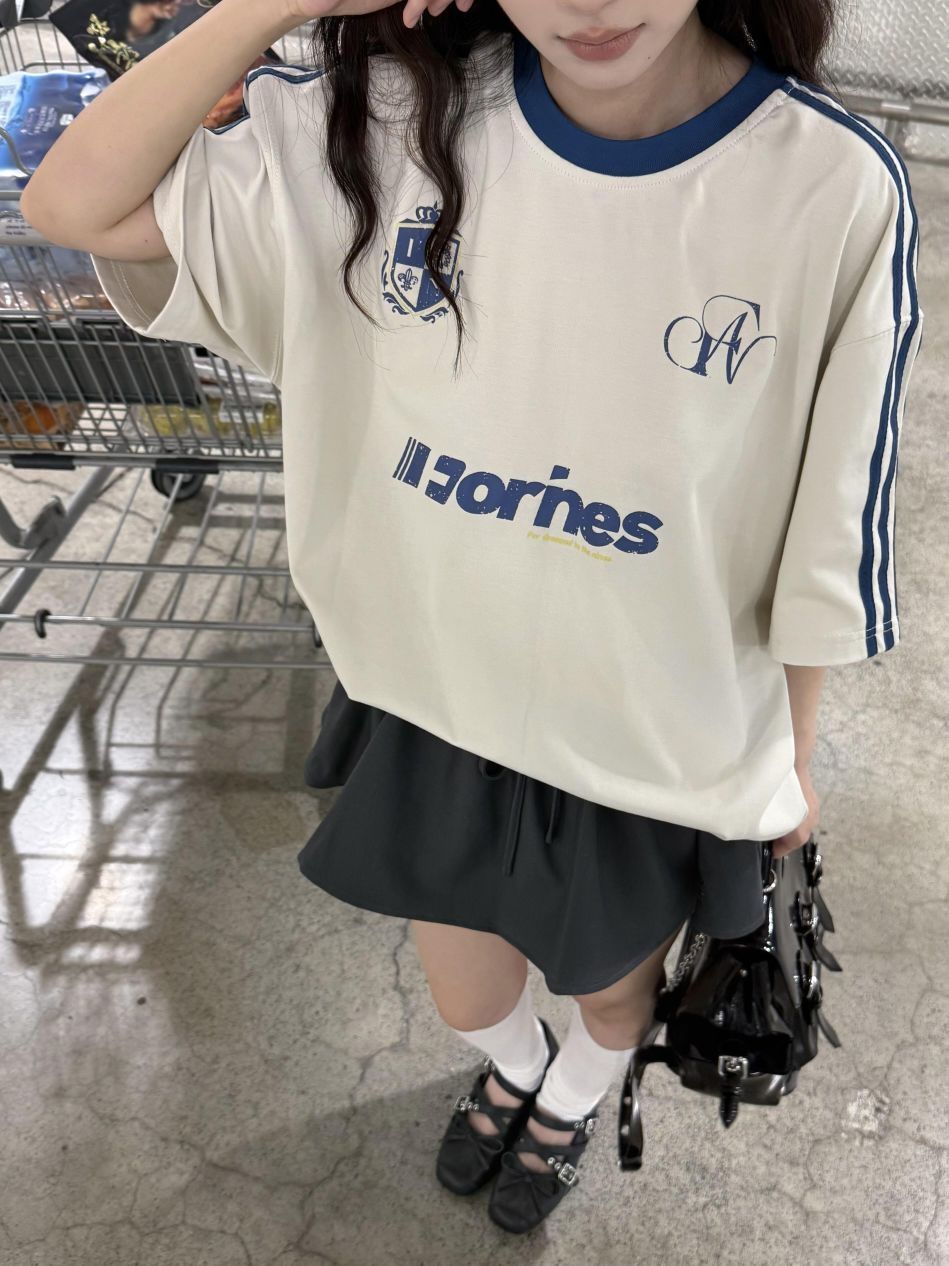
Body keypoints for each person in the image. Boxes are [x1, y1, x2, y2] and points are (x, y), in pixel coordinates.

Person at [23, 0, 924, 1236]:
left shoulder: (825, 182)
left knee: (611, 999)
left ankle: (573, 1098)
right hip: (436, 696)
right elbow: (74, 206)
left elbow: (829, 515)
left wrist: (793, 757)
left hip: (648, 736)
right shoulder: (393, 121)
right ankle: (514, 1068)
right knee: (464, 993)